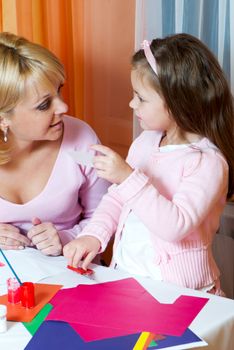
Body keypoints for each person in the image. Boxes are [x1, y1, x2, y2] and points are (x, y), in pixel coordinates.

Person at [63, 33, 234, 294]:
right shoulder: (145, 142)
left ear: (178, 102)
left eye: (141, 98)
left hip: (181, 293)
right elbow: (117, 199)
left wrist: (127, 177)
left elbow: (175, 226)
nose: (132, 104)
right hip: (128, 280)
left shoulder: (207, 163)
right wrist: (93, 236)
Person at [0, 32, 109, 256]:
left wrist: (66, 238)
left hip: (69, 276)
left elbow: (107, 216)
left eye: (58, 91)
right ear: (3, 118)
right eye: (43, 105)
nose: (63, 108)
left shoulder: (81, 139)